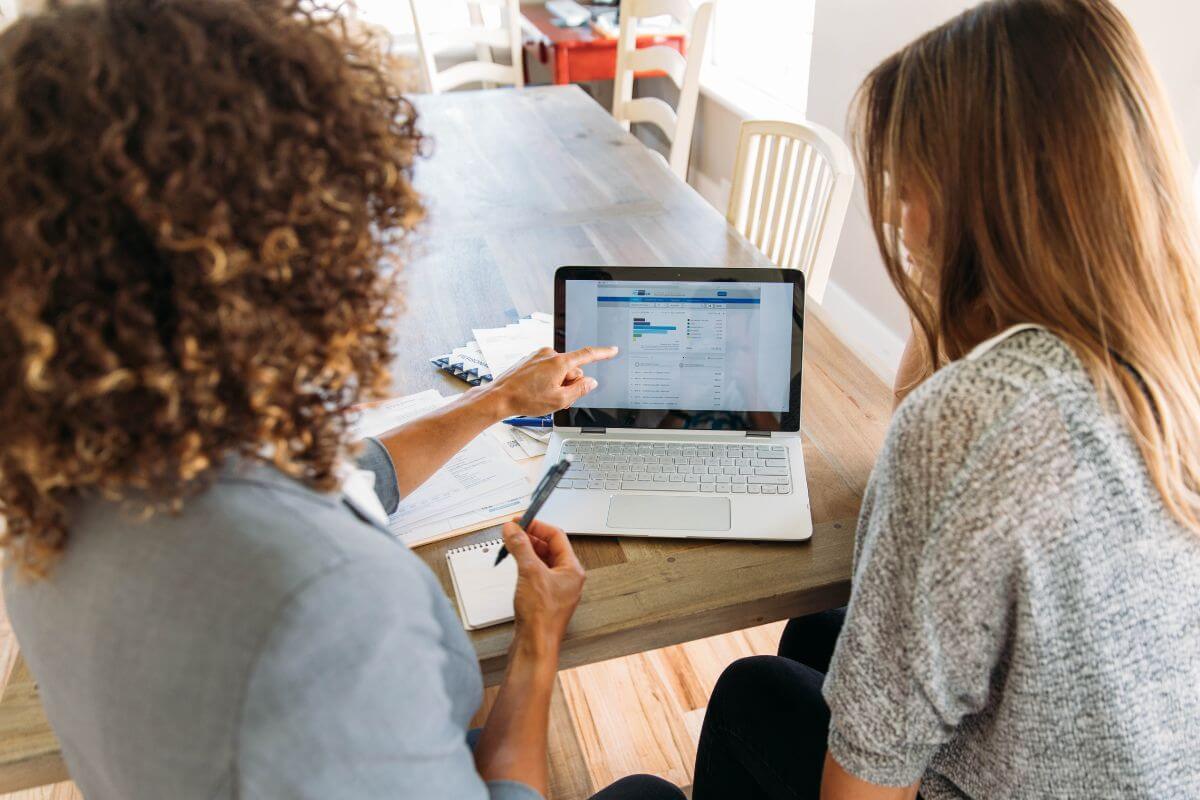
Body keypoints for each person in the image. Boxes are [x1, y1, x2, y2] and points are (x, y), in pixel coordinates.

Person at [0, 2, 685, 799]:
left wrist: (498, 400)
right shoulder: (329, 603)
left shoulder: (57, 486)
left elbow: (355, 474)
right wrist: (537, 640)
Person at [692, 1, 1200, 798]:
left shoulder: (972, 421)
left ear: (983, 197)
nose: (897, 217)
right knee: (820, 633)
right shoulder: (1168, 348)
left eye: (911, 184)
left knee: (748, 694)